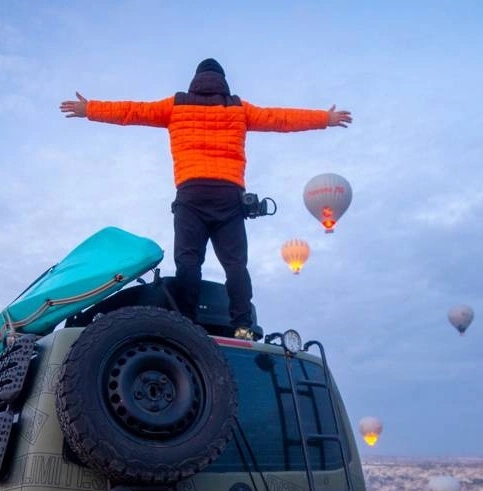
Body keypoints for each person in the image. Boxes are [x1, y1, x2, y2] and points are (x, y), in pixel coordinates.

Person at [60, 58, 351, 339]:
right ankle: (242, 325)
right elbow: (280, 118)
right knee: (235, 265)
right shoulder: (239, 109)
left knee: (188, 261)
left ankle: (186, 320)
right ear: (223, 82)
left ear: (195, 81)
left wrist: (90, 109)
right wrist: (325, 118)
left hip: (191, 194)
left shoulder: (176, 106)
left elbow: (132, 112)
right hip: (229, 196)